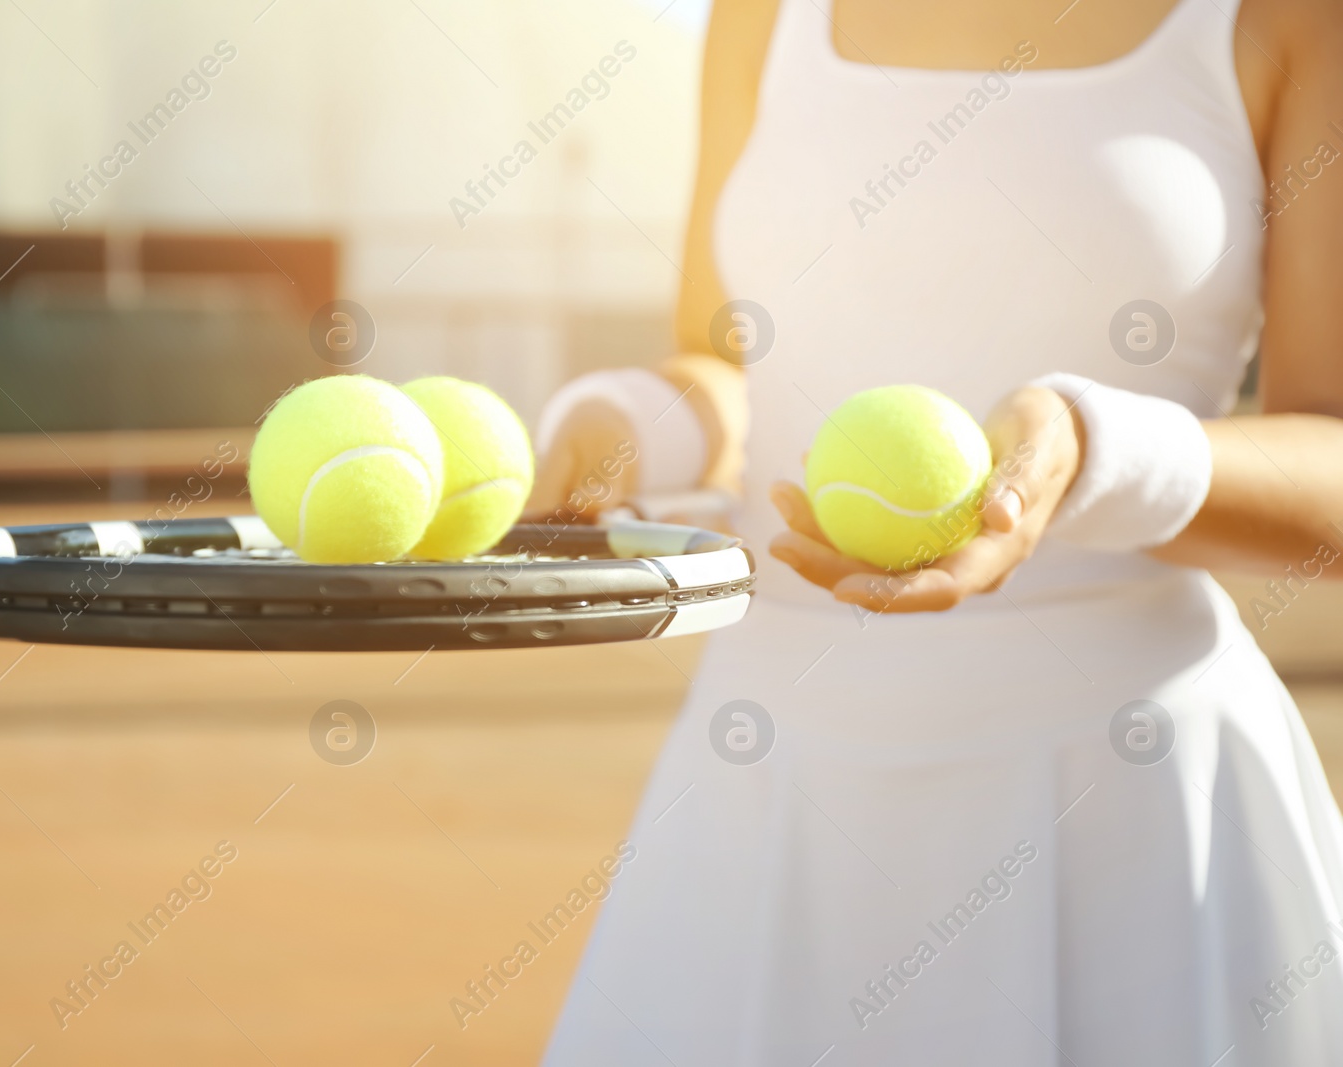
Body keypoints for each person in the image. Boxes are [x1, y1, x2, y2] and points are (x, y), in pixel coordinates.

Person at [527, 0, 1343, 1062]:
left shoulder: (1294, 20)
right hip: (768, 774)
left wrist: (1088, 446)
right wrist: (627, 423)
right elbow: (727, 361)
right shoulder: (758, 17)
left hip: (1131, 804)